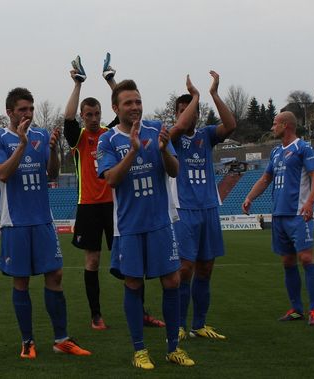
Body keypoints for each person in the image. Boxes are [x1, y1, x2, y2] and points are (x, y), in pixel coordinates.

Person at [97, 79, 196, 370]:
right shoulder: (108, 140)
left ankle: (173, 348)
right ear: (116, 108)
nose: (135, 107)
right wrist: (133, 151)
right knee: (133, 283)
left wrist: (165, 149)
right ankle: (140, 350)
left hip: (160, 223)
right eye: (128, 103)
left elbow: (175, 171)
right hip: (128, 226)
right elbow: (112, 179)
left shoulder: (156, 129)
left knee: (173, 281)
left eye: (138, 101)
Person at [0, 87, 91, 359]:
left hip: (43, 219)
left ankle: (61, 339)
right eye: (23, 109)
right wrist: (21, 144)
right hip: (16, 222)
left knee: (55, 275)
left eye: (31, 109)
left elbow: (52, 174)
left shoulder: (42, 135)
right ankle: (27, 342)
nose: (29, 114)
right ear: (10, 112)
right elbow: (3, 174)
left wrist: (54, 151)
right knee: (21, 281)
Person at [64, 57, 165, 330]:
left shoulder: (111, 134)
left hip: (116, 206)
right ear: (84, 117)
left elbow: (123, 107)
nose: (94, 119)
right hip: (88, 205)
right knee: (93, 260)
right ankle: (96, 315)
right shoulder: (79, 138)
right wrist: (77, 85)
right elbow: (67, 117)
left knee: (131, 261)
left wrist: (111, 79)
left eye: (97, 114)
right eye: (89, 115)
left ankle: (142, 313)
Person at [169, 71, 236, 340]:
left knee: (206, 267)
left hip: (209, 208)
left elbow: (230, 125)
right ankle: (181, 325)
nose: (187, 114)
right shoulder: (172, 138)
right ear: (176, 115)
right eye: (182, 111)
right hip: (184, 210)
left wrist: (213, 94)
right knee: (185, 269)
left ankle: (199, 324)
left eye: (191, 110)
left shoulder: (207, 135)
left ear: (197, 114)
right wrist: (193, 97)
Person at [242, 111, 314, 325]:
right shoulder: (277, 152)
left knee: (306, 258)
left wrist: (310, 202)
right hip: (279, 215)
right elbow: (266, 177)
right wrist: (250, 196)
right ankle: (296, 308)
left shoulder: (303, 148)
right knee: (287, 261)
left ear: (286, 125)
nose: (272, 127)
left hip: (298, 215)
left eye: (275, 124)